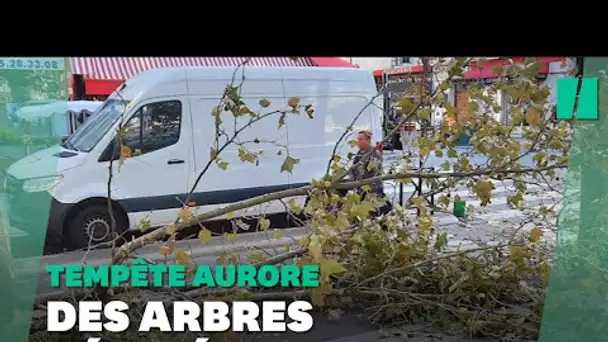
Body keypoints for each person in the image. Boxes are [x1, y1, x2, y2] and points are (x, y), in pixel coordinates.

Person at [347, 130, 393, 221]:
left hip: (373, 188)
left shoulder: (374, 153)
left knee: (377, 211)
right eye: (358, 139)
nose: (358, 142)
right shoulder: (359, 153)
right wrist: (352, 181)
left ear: (368, 140)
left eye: (361, 139)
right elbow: (353, 168)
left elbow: (374, 171)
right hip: (361, 188)